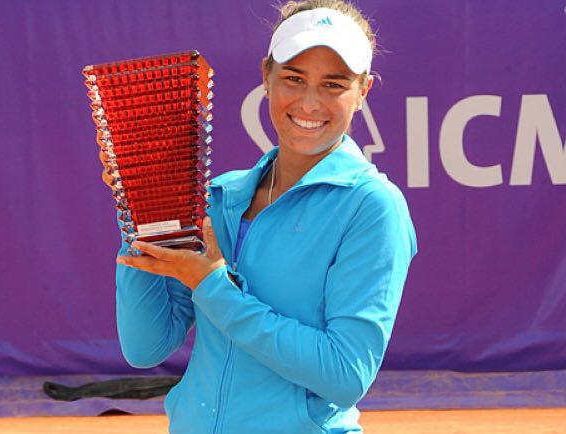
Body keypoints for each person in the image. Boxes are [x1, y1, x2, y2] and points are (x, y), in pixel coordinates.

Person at [100, 1, 417, 432]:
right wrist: (139, 207)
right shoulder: (222, 197)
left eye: (333, 84)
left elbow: (345, 375)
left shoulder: (373, 207)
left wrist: (213, 286)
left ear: (363, 91)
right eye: (294, 79)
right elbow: (145, 347)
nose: (310, 103)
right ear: (266, 76)